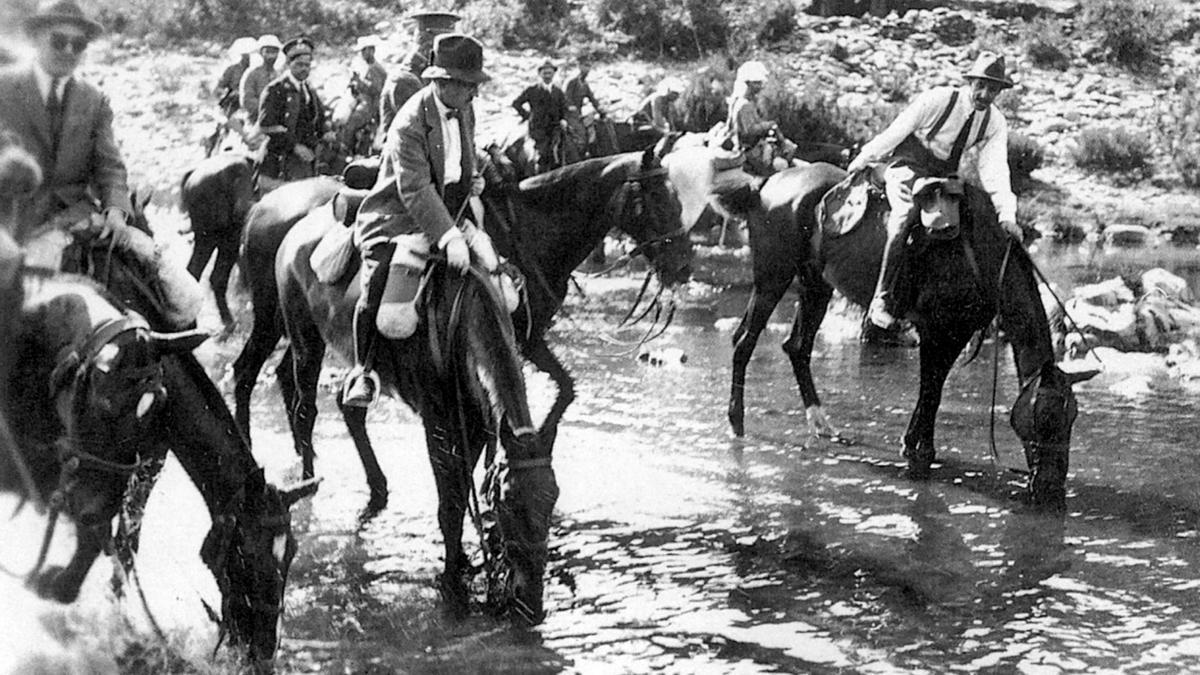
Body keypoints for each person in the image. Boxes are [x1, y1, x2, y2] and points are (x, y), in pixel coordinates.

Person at [0, 0, 198, 327]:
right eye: (58, 40)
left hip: (78, 218)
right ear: (36, 38)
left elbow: (109, 166)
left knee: (174, 291)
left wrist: (117, 211)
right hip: (13, 221)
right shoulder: (4, 88)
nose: (68, 50)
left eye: (77, 44)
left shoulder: (93, 99)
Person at [343, 33, 512, 408]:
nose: (475, 94)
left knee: (498, 257)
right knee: (381, 273)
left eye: (475, 86)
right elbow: (415, 188)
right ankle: (363, 369)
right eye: (468, 86)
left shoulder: (464, 108)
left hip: (451, 207)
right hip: (398, 215)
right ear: (442, 82)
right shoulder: (408, 122)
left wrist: (473, 178)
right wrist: (448, 236)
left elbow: (461, 154)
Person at [845, 52, 1023, 330]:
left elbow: (995, 169)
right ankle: (881, 298)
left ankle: (938, 304)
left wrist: (1007, 214)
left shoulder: (994, 122)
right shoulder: (939, 99)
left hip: (940, 177)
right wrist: (864, 159)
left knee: (969, 222)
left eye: (993, 89)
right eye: (981, 86)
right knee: (904, 214)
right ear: (970, 82)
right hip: (907, 164)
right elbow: (898, 130)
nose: (985, 94)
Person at [256, 36, 331, 189]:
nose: (304, 69)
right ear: (289, 64)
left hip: (307, 153)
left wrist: (326, 131)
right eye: (299, 65)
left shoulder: (309, 89)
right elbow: (266, 125)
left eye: (307, 65)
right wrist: (295, 147)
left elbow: (319, 117)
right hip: (280, 154)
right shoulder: (275, 89)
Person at [728, 60, 798, 175]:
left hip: (747, 146)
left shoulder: (738, 102)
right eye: (757, 83)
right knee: (786, 157)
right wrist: (768, 125)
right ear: (748, 83)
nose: (760, 86)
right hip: (751, 152)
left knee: (786, 147)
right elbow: (750, 130)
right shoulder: (745, 106)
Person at [512, 60, 568, 173]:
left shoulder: (558, 92)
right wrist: (528, 116)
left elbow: (563, 108)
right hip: (538, 129)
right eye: (545, 73)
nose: (547, 76)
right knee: (541, 156)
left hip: (554, 129)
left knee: (563, 153)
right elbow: (516, 103)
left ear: (554, 74)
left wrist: (563, 119)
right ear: (540, 74)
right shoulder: (532, 90)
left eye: (550, 73)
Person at [339, 35, 387, 153]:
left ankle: (345, 151)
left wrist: (359, 82)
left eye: (364, 51)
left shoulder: (376, 69)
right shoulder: (367, 67)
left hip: (371, 105)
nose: (362, 54)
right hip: (364, 101)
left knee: (350, 125)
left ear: (371, 51)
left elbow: (376, 89)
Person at [562, 57, 604, 162]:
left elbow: (592, 99)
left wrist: (600, 110)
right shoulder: (571, 81)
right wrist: (572, 108)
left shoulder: (585, 84)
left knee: (596, 127)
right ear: (579, 66)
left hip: (578, 114)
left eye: (589, 66)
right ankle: (576, 157)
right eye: (585, 66)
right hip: (569, 115)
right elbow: (566, 98)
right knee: (580, 136)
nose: (588, 69)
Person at [239, 34, 281, 123]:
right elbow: (247, 100)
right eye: (268, 52)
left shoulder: (279, 75)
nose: (271, 56)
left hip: (277, 120)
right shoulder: (252, 74)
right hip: (255, 120)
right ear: (261, 53)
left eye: (274, 52)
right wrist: (267, 109)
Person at [215, 37, 257, 118]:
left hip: (250, 100)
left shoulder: (255, 70)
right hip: (234, 101)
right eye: (245, 55)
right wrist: (230, 92)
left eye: (248, 55)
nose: (247, 58)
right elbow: (220, 87)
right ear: (241, 55)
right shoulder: (232, 69)